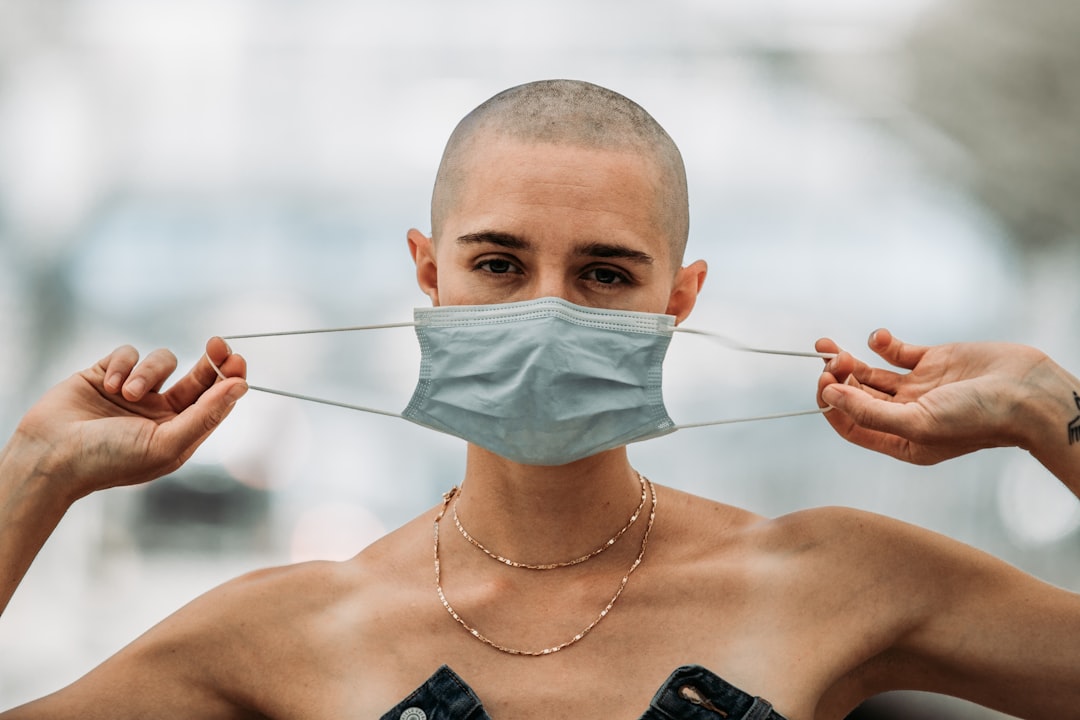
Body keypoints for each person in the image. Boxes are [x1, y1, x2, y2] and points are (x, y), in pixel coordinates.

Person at [1, 79, 1078, 720]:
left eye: (606, 274)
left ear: (680, 297)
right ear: (430, 274)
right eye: (499, 265)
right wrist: (33, 477)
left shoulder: (833, 580)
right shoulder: (286, 630)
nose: (547, 312)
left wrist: (1049, 407)